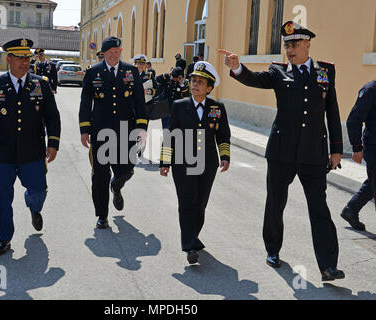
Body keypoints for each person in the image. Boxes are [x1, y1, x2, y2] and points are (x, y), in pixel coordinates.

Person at [219, 21, 345, 281]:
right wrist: (237, 67)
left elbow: (332, 112)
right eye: (287, 45)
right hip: (281, 153)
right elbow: (255, 80)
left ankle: (328, 266)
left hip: (313, 154)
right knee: (275, 204)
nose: (290, 50)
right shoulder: (278, 72)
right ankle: (273, 249)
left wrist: (336, 150)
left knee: (319, 208)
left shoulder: (325, 72)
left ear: (308, 44)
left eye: (295, 45)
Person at [0, 38, 61, 256]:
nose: (25, 62)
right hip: (2, 152)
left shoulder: (41, 84)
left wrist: (53, 143)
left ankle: (34, 207)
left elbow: (52, 117)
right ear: (9, 59)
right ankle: (4, 237)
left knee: (39, 190)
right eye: (20, 58)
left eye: (28, 58)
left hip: (33, 152)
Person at [160, 61, 231, 264]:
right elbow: (169, 135)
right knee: (186, 202)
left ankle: (193, 235)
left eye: (200, 82)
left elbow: (223, 135)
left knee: (200, 203)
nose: (195, 85)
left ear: (209, 88)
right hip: (183, 162)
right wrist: (165, 161)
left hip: (207, 164)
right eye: (193, 81)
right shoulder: (179, 106)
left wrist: (224, 157)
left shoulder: (217, 108)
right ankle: (190, 245)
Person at [79, 36, 148, 229]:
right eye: (109, 53)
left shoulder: (131, 71)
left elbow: (139, 103)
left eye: (116, 52)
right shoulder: (93, 72)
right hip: (100, 132)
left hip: (126, 131)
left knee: (127, 169)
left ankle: (117, 186)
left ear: (120, 51)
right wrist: (84, 129)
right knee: (99, 175)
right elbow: (86, 102)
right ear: (103, 54)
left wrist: (142, 128)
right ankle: (102, 215)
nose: (113, 55)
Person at [342, 80, 376, 231]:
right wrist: (357, 148)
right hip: (374, 148)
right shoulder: (370, 90)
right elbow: (353, 120)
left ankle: (351, 210)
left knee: (373, 183)